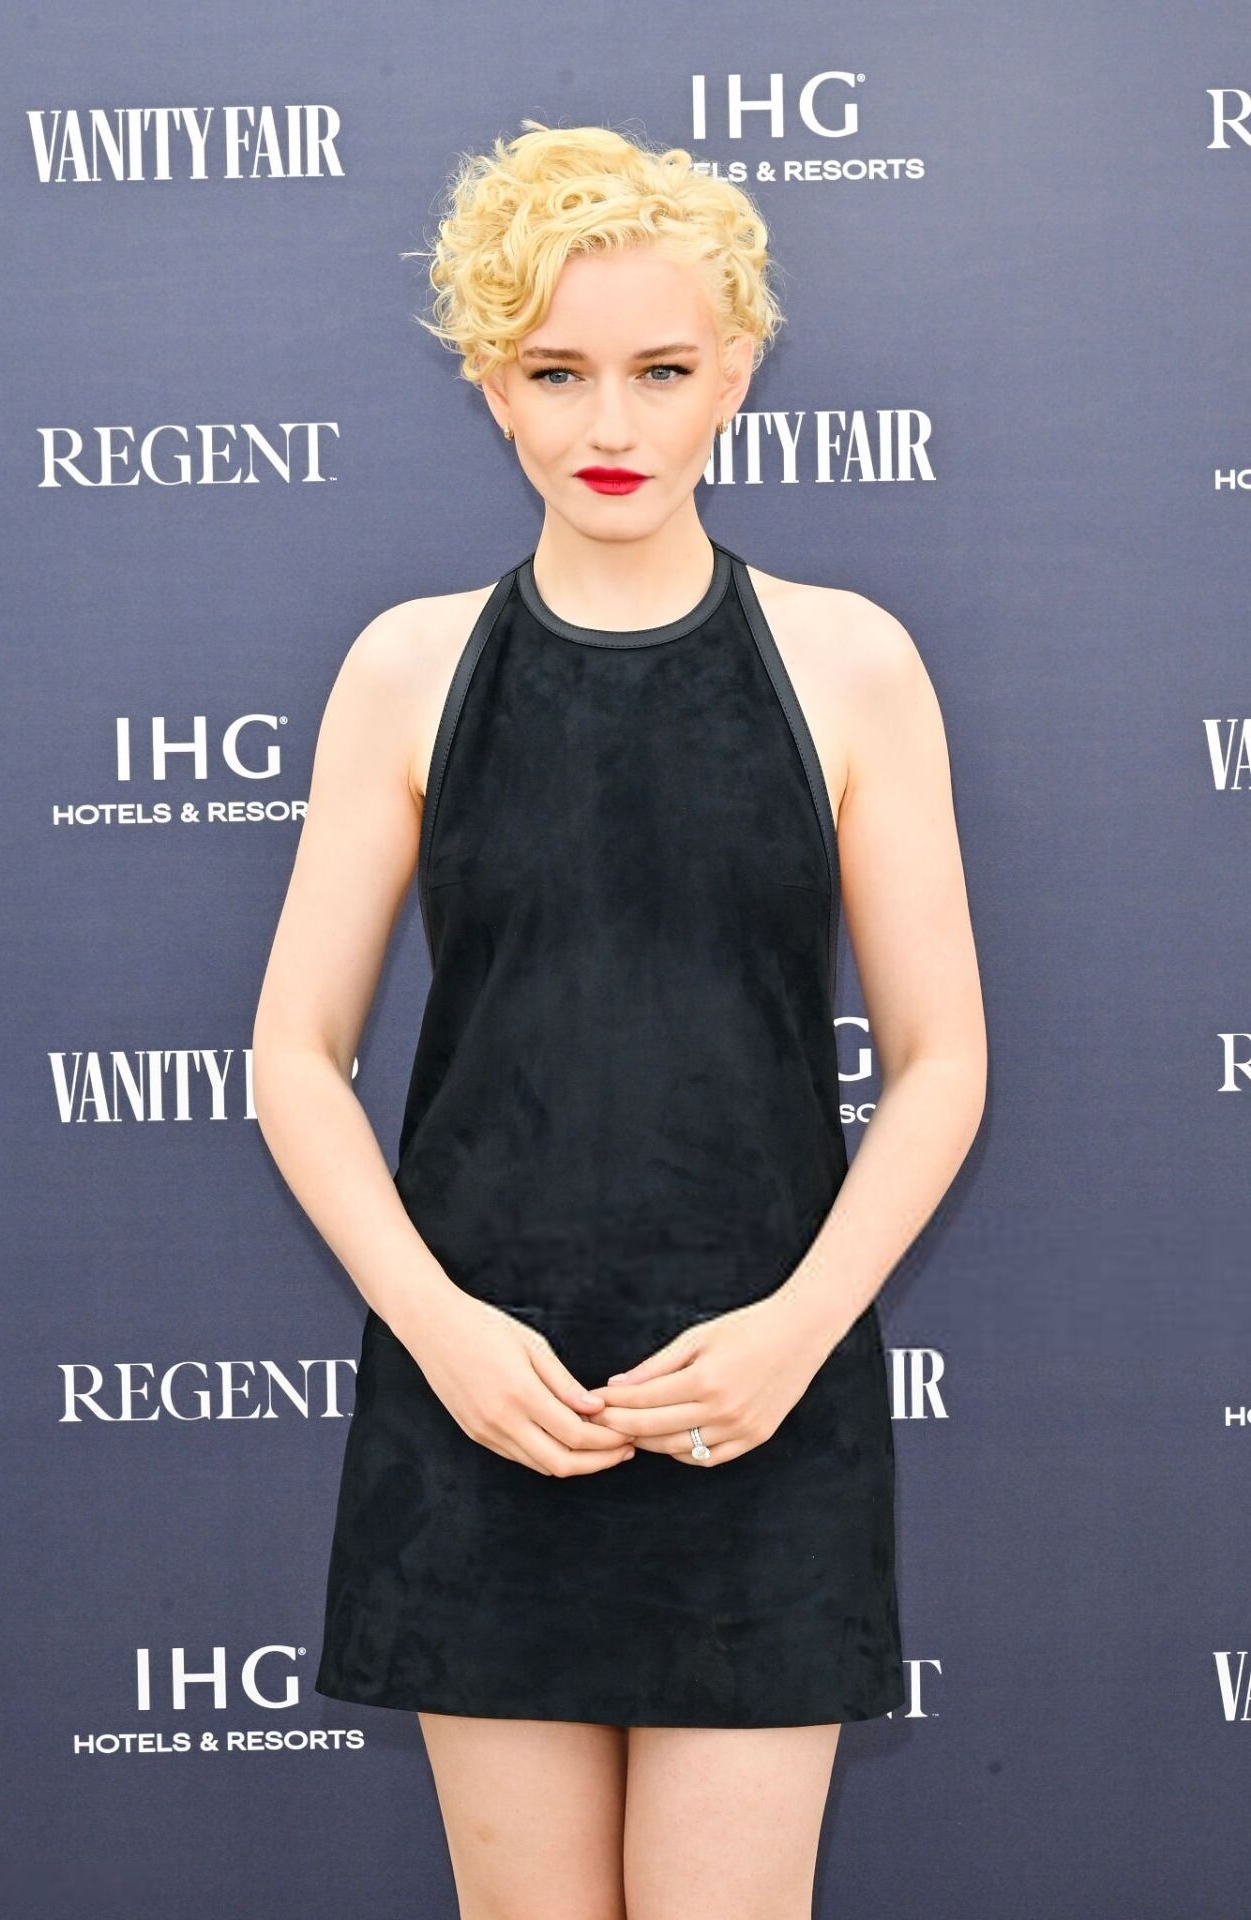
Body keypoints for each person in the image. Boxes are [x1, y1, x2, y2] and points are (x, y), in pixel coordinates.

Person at [253, 119, 987, 1920]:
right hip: (482, 1407)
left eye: (661, 370)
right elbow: (292, 1056)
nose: (611, 423)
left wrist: (798, 1331)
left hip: (760, 1408)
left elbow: (943, 1061)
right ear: (489, 383)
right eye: (555, 371)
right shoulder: (408, 667)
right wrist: (439, 1329)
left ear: (737, 370)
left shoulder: (852, 661)